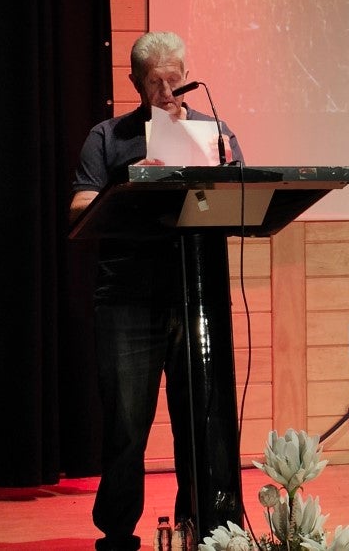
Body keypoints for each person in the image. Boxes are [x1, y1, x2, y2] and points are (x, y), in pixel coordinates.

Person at [70, 31, 244, 551]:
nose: (169, 92)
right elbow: (79, 208)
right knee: (126, 422)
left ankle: (204, 529)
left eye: (176, 78)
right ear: (135, 83)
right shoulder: (108, 136)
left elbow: (241, 190)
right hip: (128, 298)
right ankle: (118, 534)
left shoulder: (213, 131)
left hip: (199, 295)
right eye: (156, 82)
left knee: (203, 420)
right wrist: (127, 185)